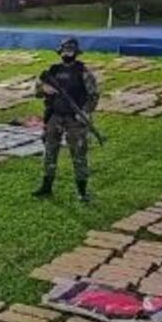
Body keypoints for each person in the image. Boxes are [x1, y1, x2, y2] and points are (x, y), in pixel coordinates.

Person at [33, 37, 100, 202]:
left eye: (70, 51)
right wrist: (44, 89)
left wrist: (84, 111)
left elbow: (93, 95)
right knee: (50, 151)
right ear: (60, 52)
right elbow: (37, 89)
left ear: (76, 53)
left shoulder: (84, 72)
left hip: (75, 119)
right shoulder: (53, 71)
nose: (67, 54)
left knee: (78, 153)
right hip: (55, 116)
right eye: (65, 51)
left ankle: (82, 191)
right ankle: (46, 186)